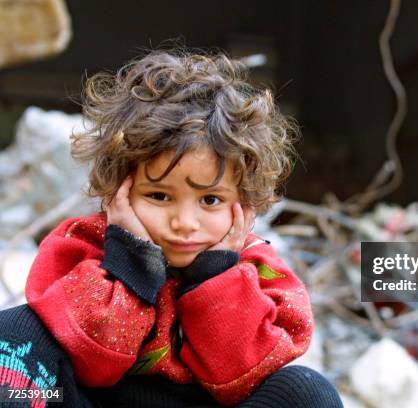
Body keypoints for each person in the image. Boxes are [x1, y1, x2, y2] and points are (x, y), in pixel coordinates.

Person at [0, 50, 343, 407]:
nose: (183, 222)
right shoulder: (83, 248)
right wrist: (131, 262)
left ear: (244, 202)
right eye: (160, 196)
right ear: (119, 190)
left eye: (210, 200)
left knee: (304, 390)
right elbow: (92, 364)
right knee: (13, 333)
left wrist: (216, 277)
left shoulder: (258, 270)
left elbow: (242, 378)